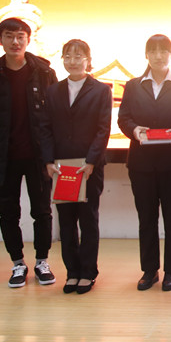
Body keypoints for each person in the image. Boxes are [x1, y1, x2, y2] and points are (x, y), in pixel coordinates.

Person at [0, 17, 58, 288]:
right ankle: (18, 264)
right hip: (4, 156)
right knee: (8, 213)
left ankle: (42, 261)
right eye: (9, 36)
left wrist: (53, 156)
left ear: (28, 40)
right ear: (0, 39)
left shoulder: (44, 72)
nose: (15, 41)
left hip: (38, 156)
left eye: (20, 36)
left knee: (42, 211)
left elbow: (55, 117)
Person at [118, 34, 171, 292]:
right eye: (152, 51)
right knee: (146, 218)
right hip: (141, 163)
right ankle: (149, 270)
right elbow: (123, 119)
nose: (158, 56)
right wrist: (135, 130)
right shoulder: (133, 85)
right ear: (146, 55)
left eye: (163, 50)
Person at [40, 40, 112, 294]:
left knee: (88, 220)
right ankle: (72, 272)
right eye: (68, 56)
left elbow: (103, 129)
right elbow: (45, 128)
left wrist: (91, 161)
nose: (72, 61)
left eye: (78, 56)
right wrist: (49, 161)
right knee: (66, 222)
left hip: (88, 167)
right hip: (61, 168)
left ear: (88, 60)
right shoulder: (53, 91)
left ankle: (88, 273)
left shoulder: (101, 90)